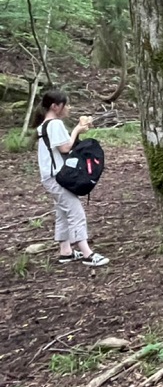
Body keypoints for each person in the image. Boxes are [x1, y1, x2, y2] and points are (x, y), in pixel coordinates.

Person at [34, 89, 109, 267]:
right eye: (65, 105)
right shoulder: (54, 124)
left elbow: (62, 146)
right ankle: (87, 253)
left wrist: (77, 131)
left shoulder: (43, 126)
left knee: (63, 212)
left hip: (49, 176)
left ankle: (66, 251)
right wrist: (77, 129)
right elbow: (65, 149)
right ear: (55, 106)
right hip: (58, 176)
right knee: (76, 212)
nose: (67, 108)